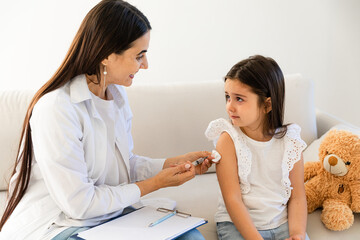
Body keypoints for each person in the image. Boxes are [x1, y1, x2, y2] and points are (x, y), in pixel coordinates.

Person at [0, 1, 212, 239]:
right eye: (139, 55)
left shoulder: (116, 94)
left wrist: (172, 163)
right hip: (61, 223)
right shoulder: (57, 108)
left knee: (192, 237)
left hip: (108, 216)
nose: (146, 65)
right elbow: (79, 205)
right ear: (107, 56)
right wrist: (155, 184)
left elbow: (124, 166)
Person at [205, 55, 309, 240]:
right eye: (228, 97)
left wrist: (297, 234)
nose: (230, 106)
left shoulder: (290, 140)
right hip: (238, 225)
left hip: (282, 223)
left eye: (239, 99)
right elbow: (232, 200)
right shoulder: (228, 139)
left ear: (267, 104)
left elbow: (298, 196)